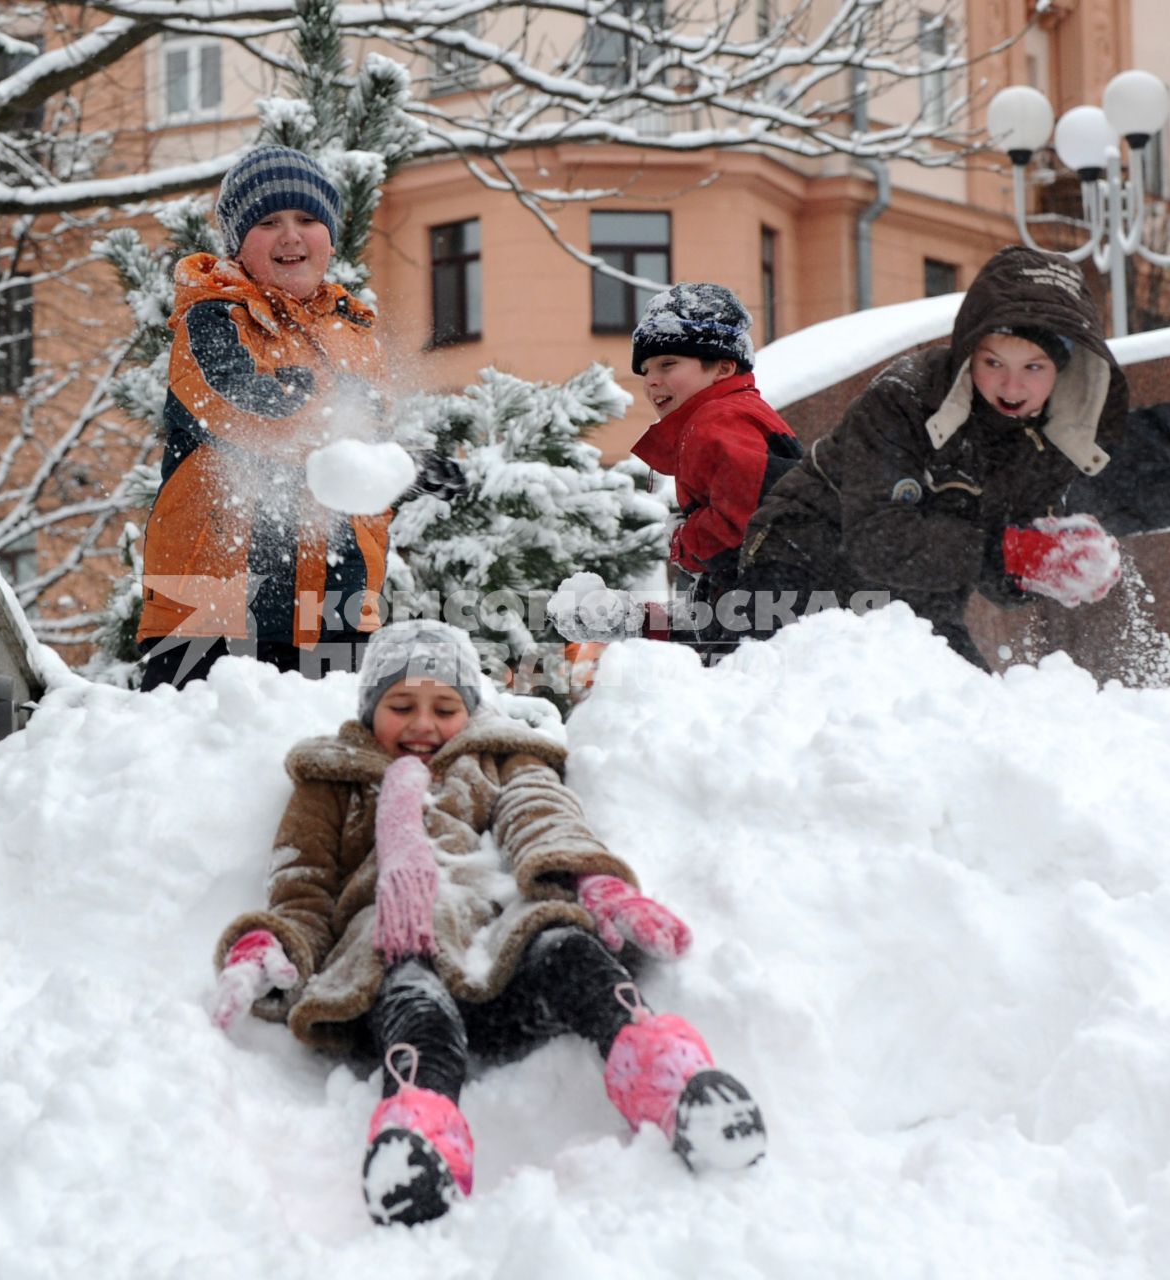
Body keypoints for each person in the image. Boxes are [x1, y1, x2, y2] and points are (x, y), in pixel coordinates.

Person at [208, 621, 767, 1226]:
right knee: (411, 998)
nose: (423, 723)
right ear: (370, 709)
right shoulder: (333, 782)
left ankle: (668, 1079)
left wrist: (596, 883)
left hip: (504, 949)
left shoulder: (499, 758)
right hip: (397, 949)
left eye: (444, 707)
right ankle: (423, 1140)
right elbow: (305, 881)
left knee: (564, 942)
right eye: (401, 706)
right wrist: (272, 941)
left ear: (469, 710)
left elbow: (541, 817)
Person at [735, 245, 1127, 668]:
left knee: (975, 707)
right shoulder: (904, 398)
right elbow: (875, 537)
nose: (1011, 388)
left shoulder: (1051, 440)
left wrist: (1045, 566)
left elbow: (994, 576)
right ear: (968, 352)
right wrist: (1006, 551)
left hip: (919, 597)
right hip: (799, 566)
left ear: (1065, 370)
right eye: (993, 362)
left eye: (1034, 368)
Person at [137, 145, 397, 691]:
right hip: (215, 603)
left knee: (331, 756)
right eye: (268, 222)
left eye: (307, 219)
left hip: (336, 600)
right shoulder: (212, 317)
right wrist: (296, 408)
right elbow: (227, 402)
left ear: (330, 234)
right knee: (209, 752)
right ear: (237, 241)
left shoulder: (354, 331)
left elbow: (368, 454)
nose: (290, 236)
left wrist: (407, 472)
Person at [628, 283, 802, 662]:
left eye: (668, 364)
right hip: (767, 593)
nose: (651, 380)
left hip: (765, 600)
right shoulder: (727, 415)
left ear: (723, 367)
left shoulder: (719, 418)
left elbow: (741, 521)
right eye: (646, 370)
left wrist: (685, 540)